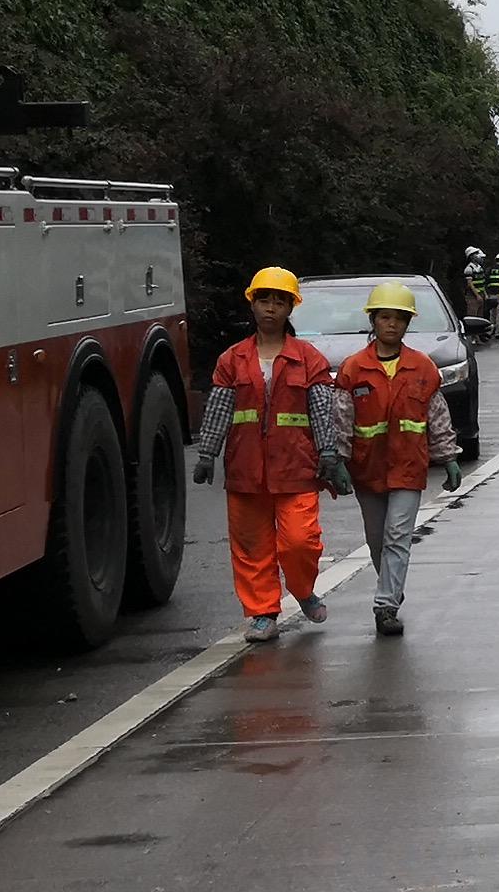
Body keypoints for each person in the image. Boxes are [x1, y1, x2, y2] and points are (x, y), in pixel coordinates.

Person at [191, 267, 351, 642]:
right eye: (264, 299)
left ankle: (302, 589)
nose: (271, 308)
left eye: (279, 301)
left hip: (296, 468)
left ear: (290, 308)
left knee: (299, 542)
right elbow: (218, 410)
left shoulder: (307, 359)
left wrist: (329, 453)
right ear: (253, 304)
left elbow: (322, 410)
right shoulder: (233, 359)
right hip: (246, 471)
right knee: (251, 547)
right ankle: (263, 612)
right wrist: (207, 454)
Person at [337, 281, 465, 637]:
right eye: (385, 318)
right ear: (373, 321)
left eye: (400, 319)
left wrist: (449, 456)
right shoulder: (353, 369)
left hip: (408, 467)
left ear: (408, 324)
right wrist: (337, 461)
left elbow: (436, 417)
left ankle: (386, 606)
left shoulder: (422, 368)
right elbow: (342, 418)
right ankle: (391, 585)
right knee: (377, 539)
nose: (392, 325)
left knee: (397, 536)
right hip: (368, 468)